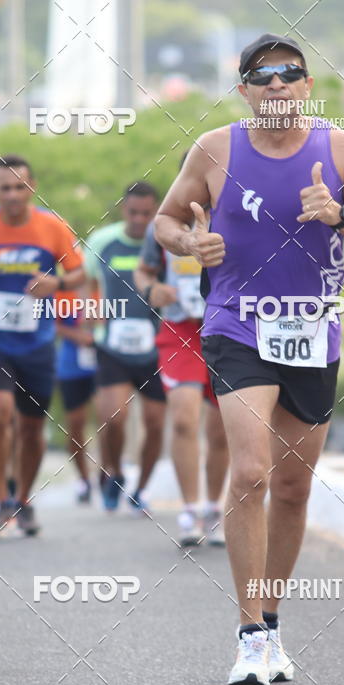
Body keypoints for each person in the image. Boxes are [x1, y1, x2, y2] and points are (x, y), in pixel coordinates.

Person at [154, 33, 344, 685]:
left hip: (312, 332)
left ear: (306, 87)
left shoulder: (340, 149)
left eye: (289, 74)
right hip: (237, 325)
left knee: (294, 488)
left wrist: (340, 215)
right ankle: (249, 636)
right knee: (250, 473)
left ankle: (271, 621)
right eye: (262, 76)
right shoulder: (214, 149)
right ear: (244, 90)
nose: (276, 85)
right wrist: (190, 243)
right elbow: (165, 221)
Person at [0, 154, 84, 535]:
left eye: (19, 187)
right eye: (5, 188)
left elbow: (79, 273)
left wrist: (57, 284)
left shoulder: (52, 227)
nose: (13, 194)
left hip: (37, 342)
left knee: (31, 428)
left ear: (32, 188)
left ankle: (23, 499)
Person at [135, 160, 228, 546]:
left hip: (228, 329)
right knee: (185, 419)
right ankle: (189, 510)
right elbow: (144, 271)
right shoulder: (164, 225)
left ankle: (214, 507)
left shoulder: (237, 215)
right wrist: (152, 290)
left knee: (222, 428)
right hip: (180, 332)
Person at [85, 181, 166, 514]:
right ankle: (115, 473)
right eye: (133, 212)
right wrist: (91, 310)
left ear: (155, 211)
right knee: (114, 418)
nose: (139, 220)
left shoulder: (164, 242)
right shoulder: (102, 241)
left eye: (147, 214)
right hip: (113, 346)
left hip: (157, 348)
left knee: (156, 423)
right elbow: (86, 281)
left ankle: (141, 489)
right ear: (123, 210)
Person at [55, 294, 98, 502]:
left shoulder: (106, 285)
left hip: (104, 363)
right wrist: (76, 335)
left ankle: (109, 474)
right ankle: (84, 479)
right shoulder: (63, 293)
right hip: (71, 367)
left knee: (110, 417)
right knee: (76, 424)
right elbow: (50, 325)